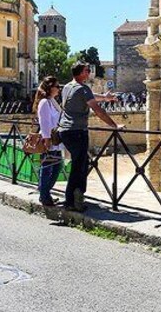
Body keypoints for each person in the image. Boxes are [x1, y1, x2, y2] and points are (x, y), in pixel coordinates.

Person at [58, 61, 122, 211]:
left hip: (64, 130)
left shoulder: (67, 87)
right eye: (87, 70)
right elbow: (97, 110)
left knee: (81, 163)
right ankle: (73, 200)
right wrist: (113, 125)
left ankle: (74, 198)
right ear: (81, 73)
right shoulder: (83, 88)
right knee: (79, 166)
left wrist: (105, 98)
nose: (89, 73)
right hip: (77, 131)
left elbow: (89, 96)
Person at [34, 76, 64, 206]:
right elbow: (44, 122)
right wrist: (46, 139)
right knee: (48, 167)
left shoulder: (52, 101)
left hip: (56, 140)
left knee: (56, 166)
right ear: (50, 87)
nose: (59, 89)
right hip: (49, 140)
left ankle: (44, 193)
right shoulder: (44, 103)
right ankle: (44, 196)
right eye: (57, 86)